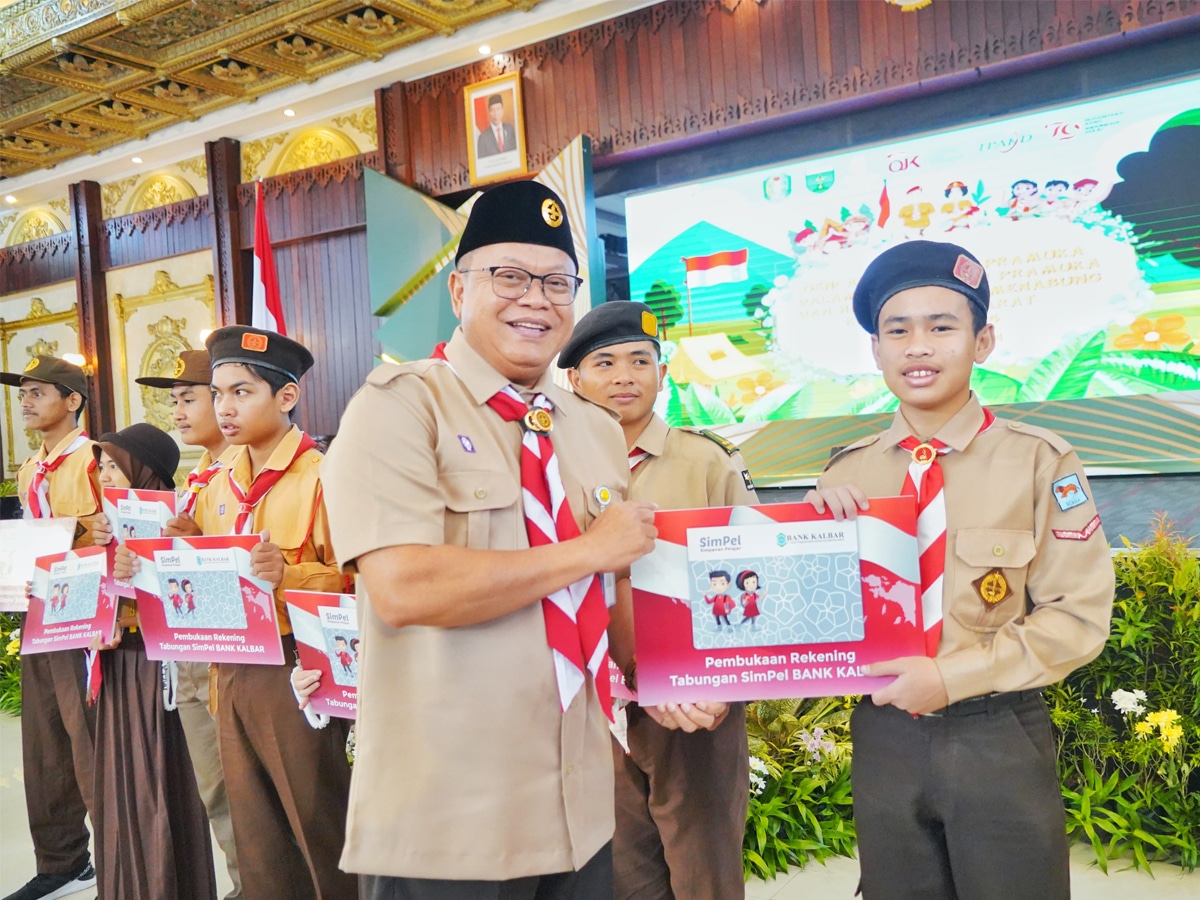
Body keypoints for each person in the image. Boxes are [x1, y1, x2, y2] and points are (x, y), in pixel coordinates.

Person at [321, 180, 656, 899]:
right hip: (449, 823)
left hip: (579, 809)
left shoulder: (592, 428)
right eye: (509, 276)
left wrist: (679, 678)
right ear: (458, 290)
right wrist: (588, 551)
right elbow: (404, 588)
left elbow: (614, 592)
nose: (536, 299)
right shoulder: (400, 408)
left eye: (557, 283)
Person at [804, 240, 1115, 899]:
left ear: (983, 341)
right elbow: (815, 617)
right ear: (876, 351)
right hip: (884, 736)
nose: (918, 347)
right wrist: (803, 541)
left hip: (995, 733)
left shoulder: (1041, 462)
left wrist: (949, 678)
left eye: (941, 327)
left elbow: (1077, 617)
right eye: (898, 330)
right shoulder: (845, 473)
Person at [114, 328, 356, 900]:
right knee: (254, 829)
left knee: (316, 819)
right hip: (228, 665)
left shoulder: (325, 477)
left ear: (287, 396)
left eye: (241, 392)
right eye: (219, 393)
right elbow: (202, 577)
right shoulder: (217, 485)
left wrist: (289, 576)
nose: (224, 407)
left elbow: (361, 583)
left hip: (300, 670)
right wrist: (153, 560)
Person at [558, 299, 757, 900]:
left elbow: (755, 578)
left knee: (704, 871)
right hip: (589, 701)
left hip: (694, 705)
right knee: (622, 873)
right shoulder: (552, 466)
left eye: (640, 361)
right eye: (605, 363)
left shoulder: (706, 461)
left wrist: (720, 684)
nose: (624, 376)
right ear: (574, 380)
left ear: (663, 374)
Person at [89, 423, 216, 900]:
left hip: (158, 668)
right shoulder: (103, 523)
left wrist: (129, 613)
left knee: (160, 782)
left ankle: (169, 886)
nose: (104, 475)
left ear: (143, 470)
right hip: (119, 666)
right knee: (124, 782)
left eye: (113, 466)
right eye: (101, 466)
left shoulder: (180, 521)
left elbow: (189, 598)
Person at [135, 348, 244, 900]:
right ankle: (246, 884)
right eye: (173, 401)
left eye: (189, 398)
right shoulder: (199, 477)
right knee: (216, 790)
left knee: (251, 789)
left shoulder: (246, 475)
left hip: (237, 653)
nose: (177, 412)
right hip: (192, 646)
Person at [0, 355, 100, 900]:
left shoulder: (95, 460)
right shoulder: (29, 469)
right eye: (22, 395)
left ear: (72, 400)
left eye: (37, 393)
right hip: (38, 614)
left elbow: (113, 538)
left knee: (90, 744)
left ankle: (122, 856)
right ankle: (63, 862)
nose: (25, 403)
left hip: (82, 621)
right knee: (43, 745)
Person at [476, 93, 516, 158]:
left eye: (498, 109)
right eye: (492, 110)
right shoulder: (483, 137)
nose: (496, 113)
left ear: (502, 110)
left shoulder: (509, 130)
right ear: (489, 113)